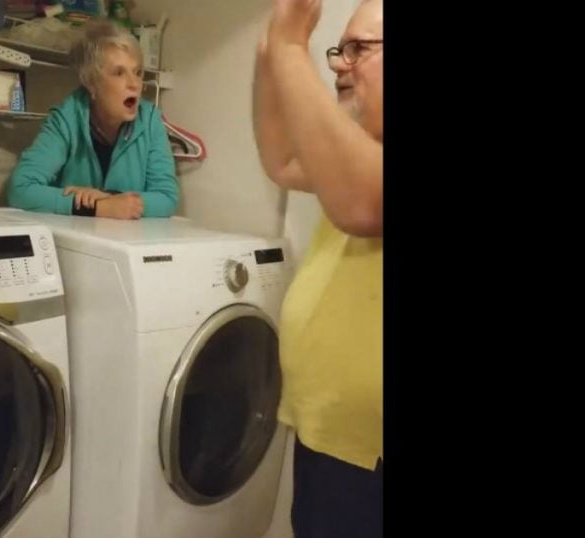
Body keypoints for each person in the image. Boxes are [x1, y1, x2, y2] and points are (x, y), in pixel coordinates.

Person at [253, 0, 383, 536]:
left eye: (360, 48)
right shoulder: (361, 150)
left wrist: (289, 48)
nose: (338, 63)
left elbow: (364, 207)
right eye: (338, 48)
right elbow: (282, 161)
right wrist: (268, 50)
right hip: (329, 438)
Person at [8, 20, 179, 219]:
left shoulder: (150, 120)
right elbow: (20, 188)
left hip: (128, 242)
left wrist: (110, 198)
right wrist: (96, 207)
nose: (134, 84)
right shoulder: (66, 119)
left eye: (137, 72)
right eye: (118, 73)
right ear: (91, 83)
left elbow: (167, 198)